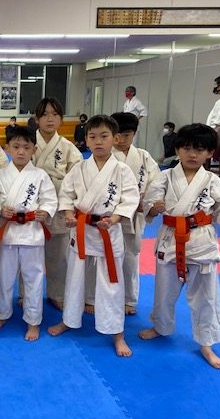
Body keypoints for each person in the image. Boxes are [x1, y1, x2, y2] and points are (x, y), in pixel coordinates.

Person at [139, 123, 220, 369]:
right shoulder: (166, 177)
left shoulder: (212, 180)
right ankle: (161, 326)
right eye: (187, 148)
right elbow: (149, 203)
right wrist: (154, 207)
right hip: (170, 240)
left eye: (200, 150)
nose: (192, 154)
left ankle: (206, 343)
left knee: (206, 297)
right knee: (163, 291)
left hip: (201, 243)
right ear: (177, 149)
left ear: (210, 153)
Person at [48, 115, 139, 357]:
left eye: (104, 136)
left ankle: (117, 332)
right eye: (93, 137)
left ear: (115, 139)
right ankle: (69, 320)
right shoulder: (79, 169)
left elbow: (130, 199)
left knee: (112, 283)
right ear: (86, 140)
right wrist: (69, 214)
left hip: (108, 232)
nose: (98, 141)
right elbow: (66, 194)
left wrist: (115, 219)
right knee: (74, 278)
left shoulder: (122, 170)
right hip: (82, 230)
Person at [85, 112, 160, 315]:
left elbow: (157, 184)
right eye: (118, 135)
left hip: (134, 216)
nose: (122, 139)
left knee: (130, 258)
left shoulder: (143, 157)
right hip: (105, 217)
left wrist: (147, 201)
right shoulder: (103, 156)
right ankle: (90, 298)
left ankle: (129, 299)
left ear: (134, 134)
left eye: (127, 135)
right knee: (96, 258)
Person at [0, 126, 58, 341]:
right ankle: (0, 313)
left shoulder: (40, 175)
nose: (21, 151)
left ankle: (33, 321)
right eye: (16, 146)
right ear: (7, 148)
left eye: (26, 148)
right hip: (7, 233)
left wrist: (45, 211)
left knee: (33, 279)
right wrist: (0, 210)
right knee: (2, 277)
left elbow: (50, 200)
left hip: (32, 233)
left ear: (34, 150)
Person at [33, 97, 83, 311]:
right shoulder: (28, 142)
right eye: (44, 114)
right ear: (36, 119)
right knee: (28, 256)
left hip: (58, 207)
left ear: (61, 119)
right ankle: (26, 295)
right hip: (31, 207)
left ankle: (57, 293)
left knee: (58, 256)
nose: (50, 119)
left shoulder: (68, 147)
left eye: (55, 114)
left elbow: (78, 179)